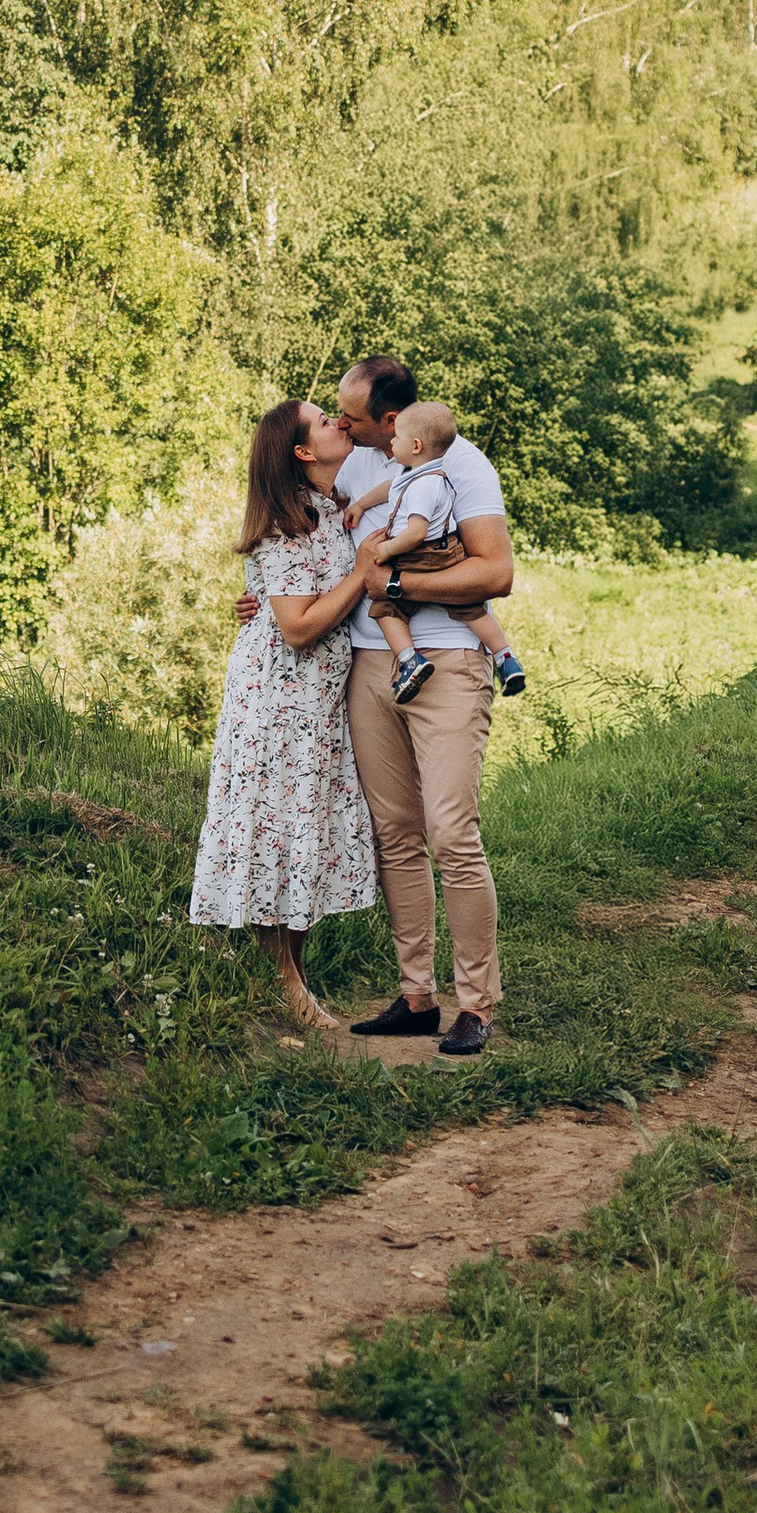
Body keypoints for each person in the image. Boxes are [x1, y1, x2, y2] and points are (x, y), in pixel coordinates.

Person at [334, 353, 513, 1060]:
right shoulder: (355, 464)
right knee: (396, 834)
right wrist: (262, 601)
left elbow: (495, 571)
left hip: (446, 664)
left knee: (452, 834)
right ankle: (416, 997)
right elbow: (310, 543)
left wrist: (397, 581)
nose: (340, 427)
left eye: (350, 417)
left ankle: (475, 1004)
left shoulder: (461, 466)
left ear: (389, 422)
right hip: (369, 663)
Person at [188, 397, 381, 1032]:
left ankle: (294, 981)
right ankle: (287, 988)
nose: (338, 423)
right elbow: (298, 628)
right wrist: (360, 573)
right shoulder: (282, 526)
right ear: (301, 452)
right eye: (324, 421)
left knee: (304, 836)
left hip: (316, 705)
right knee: (278, 830)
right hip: (277, 704)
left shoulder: (330, 506)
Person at [372, 399, 528, 704]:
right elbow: (391, 486)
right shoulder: (426, 473)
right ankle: (506, 658)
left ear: (415, 445)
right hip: (449, 550)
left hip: (422, 555)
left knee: (385, 608)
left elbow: (416, 533)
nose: (391, 441)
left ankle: (409, 661)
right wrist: (362, 504)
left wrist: (385, 549)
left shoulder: (421, 487)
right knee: (471, 610)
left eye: (397, 437)